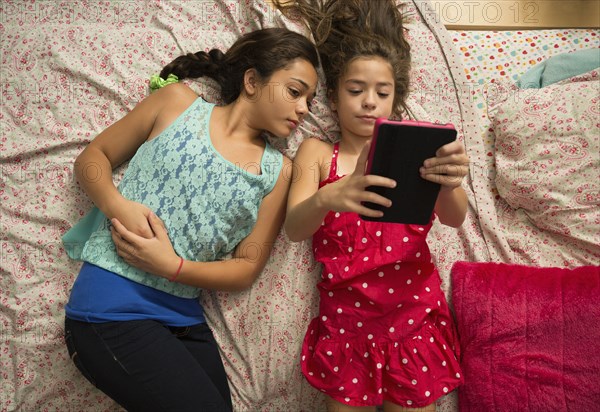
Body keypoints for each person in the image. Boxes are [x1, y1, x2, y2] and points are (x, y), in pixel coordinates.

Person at [62, 27, 319, 412]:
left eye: (311, 102)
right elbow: (92, 158)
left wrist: (173, 266)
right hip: (108, 310)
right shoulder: (175, 103)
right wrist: (119, 206)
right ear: (252, 80)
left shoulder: (277, 171)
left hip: (183, 319)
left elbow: (246, 269)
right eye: (295, 92)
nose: (304, 109)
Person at [276, 1, 469, 411]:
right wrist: (331, 196)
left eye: (382, 92)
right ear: (333, 94)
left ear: (396, 98)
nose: (369, 102)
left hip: (413, 318)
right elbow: (294, 228)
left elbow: (455, 218)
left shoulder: (418, 152)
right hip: (348, 327)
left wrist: (450, 182)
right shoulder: (315, 153)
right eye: (355, 90)